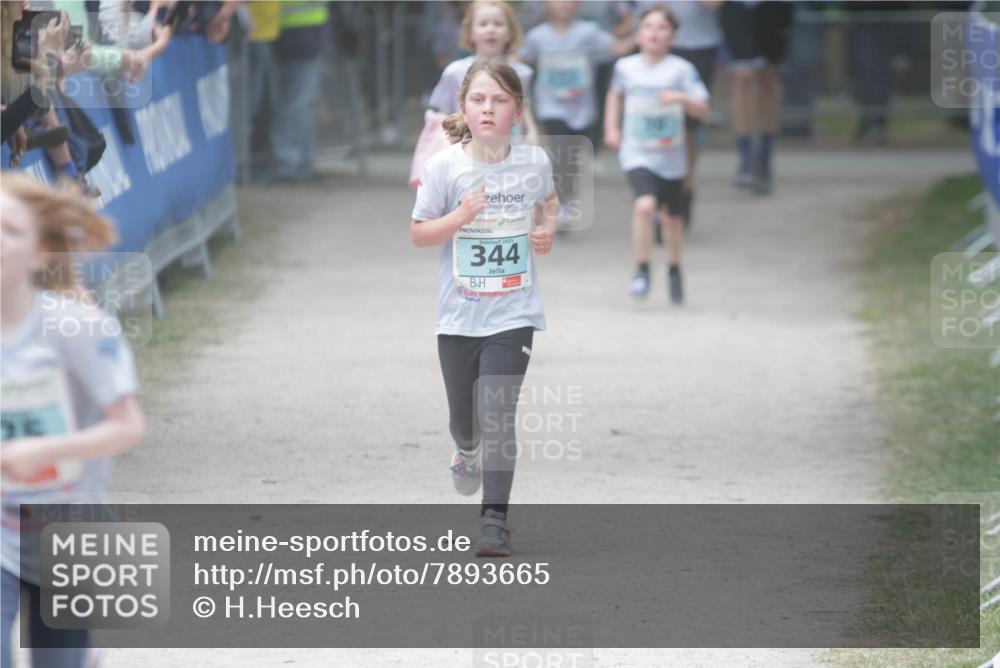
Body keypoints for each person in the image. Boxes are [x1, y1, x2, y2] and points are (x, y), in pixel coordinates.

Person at [410, 58, 558, 557]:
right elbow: (418, 234)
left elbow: (551, 202)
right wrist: (460, 216)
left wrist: (546, 231)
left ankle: (495, 520)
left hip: (514, 312)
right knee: (466, 423)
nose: (489, 108)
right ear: (464, 108)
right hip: (458, 316)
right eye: (479, 100)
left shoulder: (534, 162)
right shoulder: (444, 166)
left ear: (517, 110)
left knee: (498, 412)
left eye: (499, 100)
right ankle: (465, 450)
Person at [0, 173, 145, 668]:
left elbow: (127, 426)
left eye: (9, 230)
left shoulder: (78, 327)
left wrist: (44, 451)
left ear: (41, 252)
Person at [604, 4, 709, 304]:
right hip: (637, 152)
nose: (654, 33)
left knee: (673, 220)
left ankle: (674, 268)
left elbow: (702, 107)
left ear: (673, 37)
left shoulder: (681, 70)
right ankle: (642, 268)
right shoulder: (626, 67)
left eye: (662, 28)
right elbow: (614, 94)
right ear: (638, 34)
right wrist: (612, 128)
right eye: (648, 27)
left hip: (671, 157)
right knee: (645, 206)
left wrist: (680, 97)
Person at [518, 0, 633, 227]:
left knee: (570, 157)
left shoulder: (588, 33)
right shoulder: (537, 36)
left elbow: (617, 48)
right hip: (551, 106)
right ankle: (559, 203)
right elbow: (521, 59)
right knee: (561, 148)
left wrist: (639, 33)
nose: (564, 4)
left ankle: (563, 197)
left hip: (581, 108)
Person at [427, 0, 541, 145]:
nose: (490, 29)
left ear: (510, 32)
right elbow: (441, 113)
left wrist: (532, 132)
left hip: (510, 149)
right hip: (467, 151)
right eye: (483, 24)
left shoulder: (522, 72)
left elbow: (524, 108)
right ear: (470, 33)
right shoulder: (455, 71)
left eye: (498, 24)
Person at [719, 0, 793, 194]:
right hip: (737, 8)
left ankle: (764, 157)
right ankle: (746, 157)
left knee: (768, 79)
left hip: (772, 7)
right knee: (741, 77)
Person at [261, 0, 329, 183]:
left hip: (290, 28)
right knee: (298, 102)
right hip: (303, 31)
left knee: (300, 101)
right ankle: (291, 163)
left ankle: (299, 163)